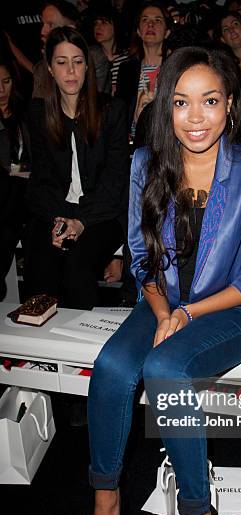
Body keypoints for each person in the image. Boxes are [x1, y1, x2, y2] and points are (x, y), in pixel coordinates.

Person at [81, 46, 241, 515]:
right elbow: (141, 258)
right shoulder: (147, 162)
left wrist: (188, 313)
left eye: (209, 101)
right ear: (166, 108)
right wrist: (163, 306)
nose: (195, 117)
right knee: (113, 367)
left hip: (231, 310)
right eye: (181, 102)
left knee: (167, 368)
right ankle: (105, 498)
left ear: (230, 105)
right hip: (162, 301)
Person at [24, 26, 128, 310]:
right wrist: (60, 221)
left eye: (78, 61)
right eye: (61, 62)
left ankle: (82, 351)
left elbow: (115, 181)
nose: (71, 71)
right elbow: (41, 178)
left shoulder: (112, 111)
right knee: (40, 266)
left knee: (77, 267)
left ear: (87, 66)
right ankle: (39, 349)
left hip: (102, 215)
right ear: (49, 68)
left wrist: (80, 221)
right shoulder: (38, 113)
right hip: (54, 211)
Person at [0, 55, 31, 301]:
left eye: (6, 81)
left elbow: (34, 161)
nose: (1, 89)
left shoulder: (24, 114)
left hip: (23, 198)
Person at [115, 1, 171, 135]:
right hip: (134, 145)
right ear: (139, 31)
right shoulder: (126, 69)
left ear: (167, 32)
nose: (150, 24)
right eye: (145, 20)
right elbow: (120, 114)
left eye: (157, 20)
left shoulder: (175, 67)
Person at [92, 5, 129, 96]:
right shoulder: (91, 56)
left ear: (115, 26)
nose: (98, 27)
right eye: (96, 23)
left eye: (104, 23)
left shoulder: (127, 57)